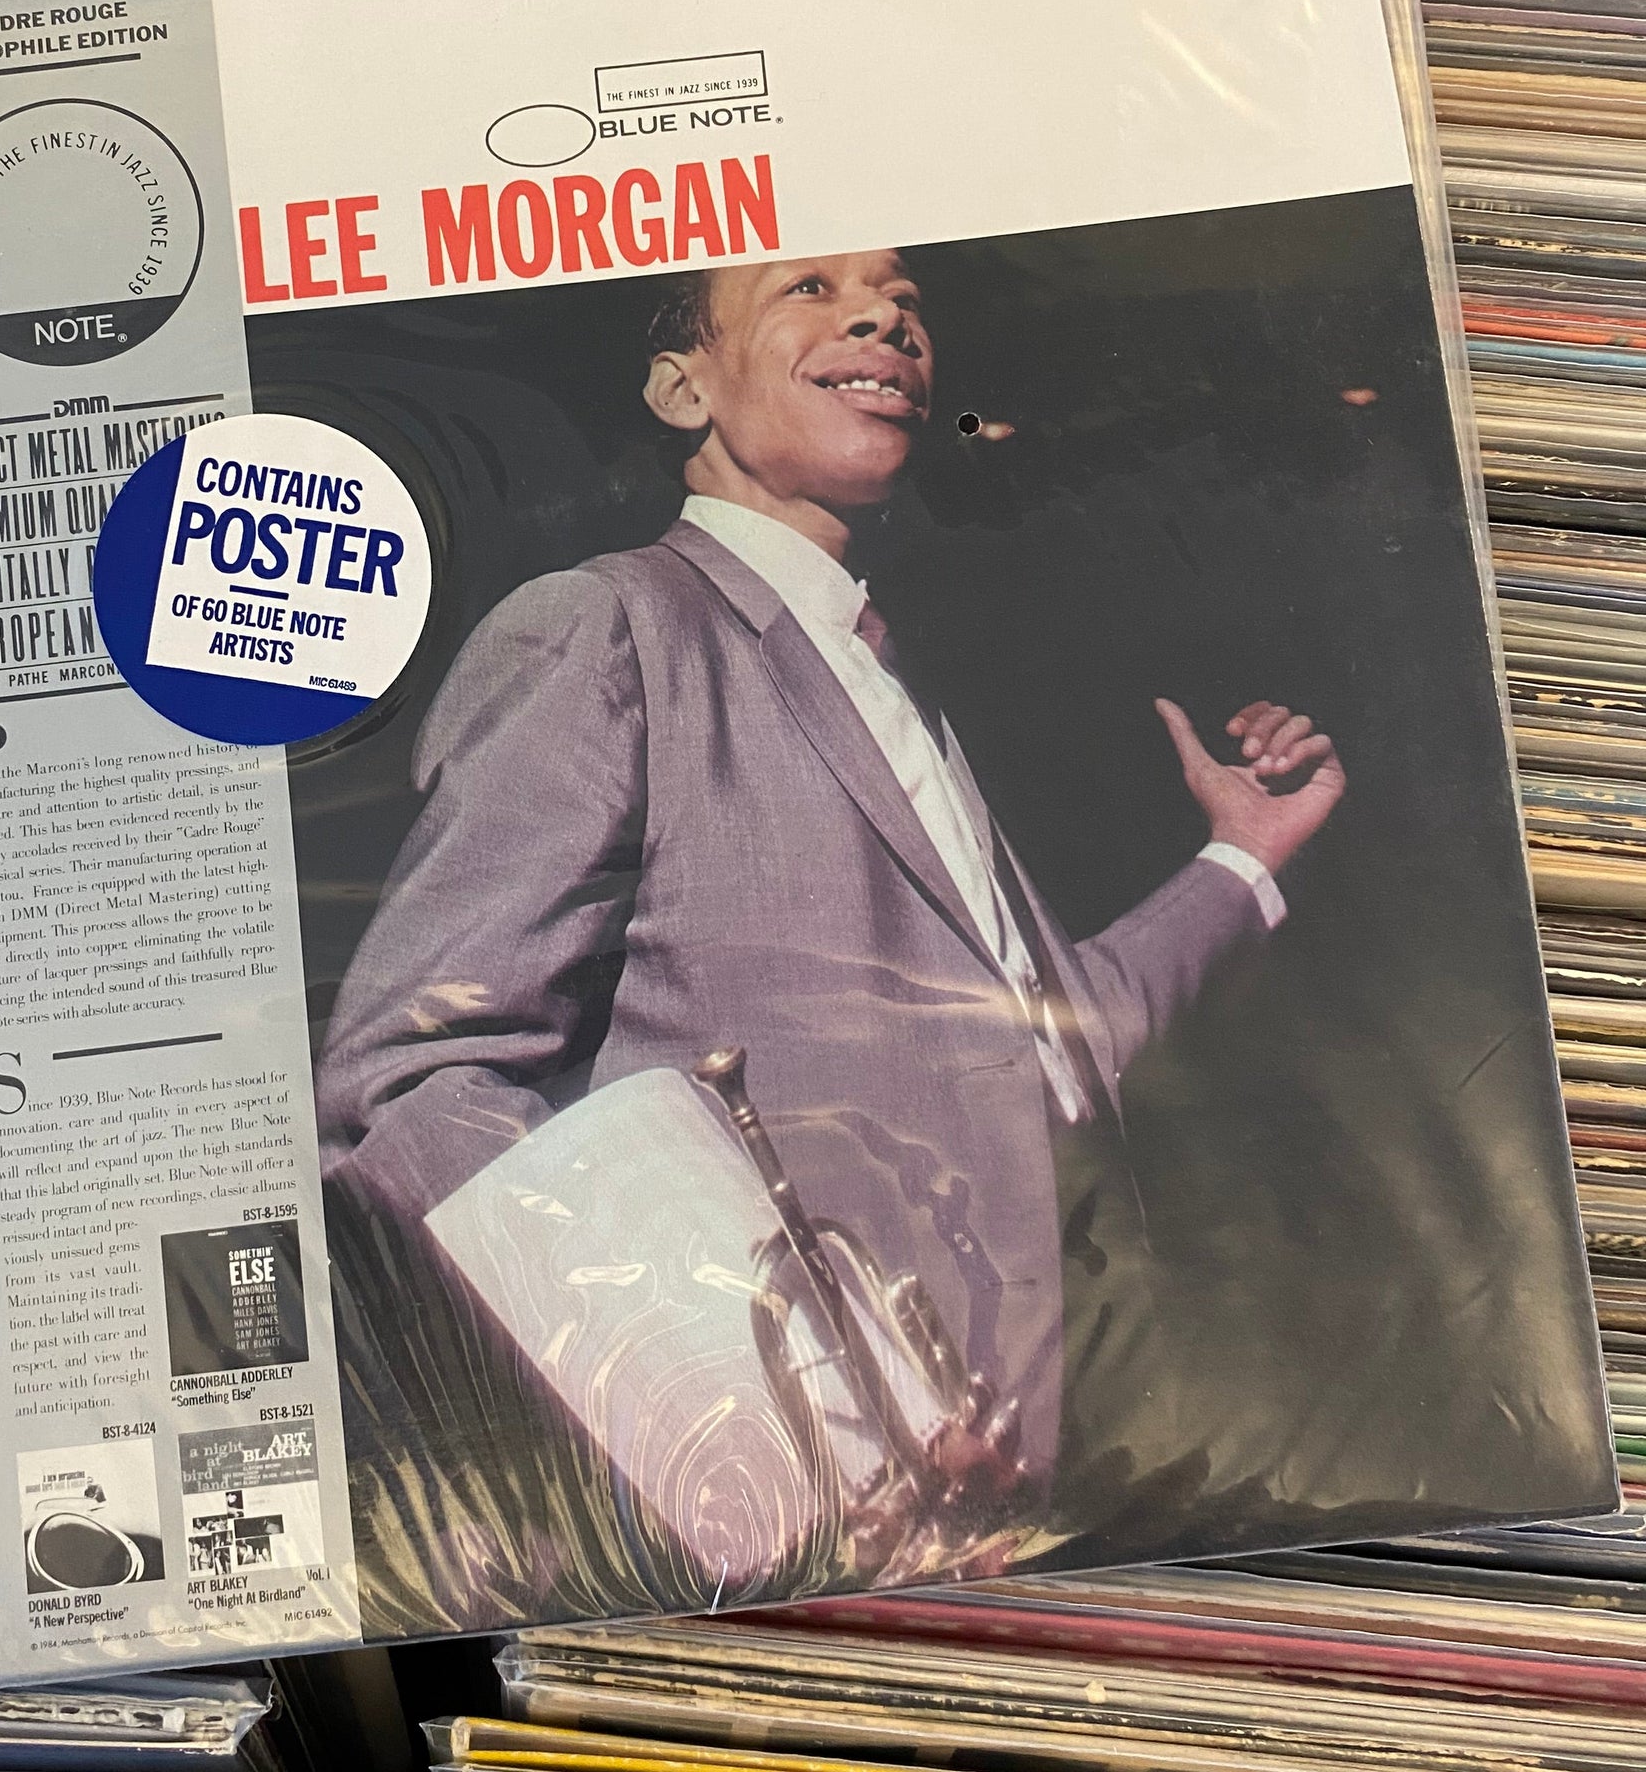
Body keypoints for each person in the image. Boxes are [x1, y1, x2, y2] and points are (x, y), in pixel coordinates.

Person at [316, 248, 1346, 1575]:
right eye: (809, 288)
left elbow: (1042, 1042)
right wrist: (761, 1418)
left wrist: (1242, 861)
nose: (883, 317)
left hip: (1022, 1490)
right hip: (789, 1512)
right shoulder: (606, 627)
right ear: (683, 388)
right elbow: (410, 1079)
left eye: (905, 301)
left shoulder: (890, 680)